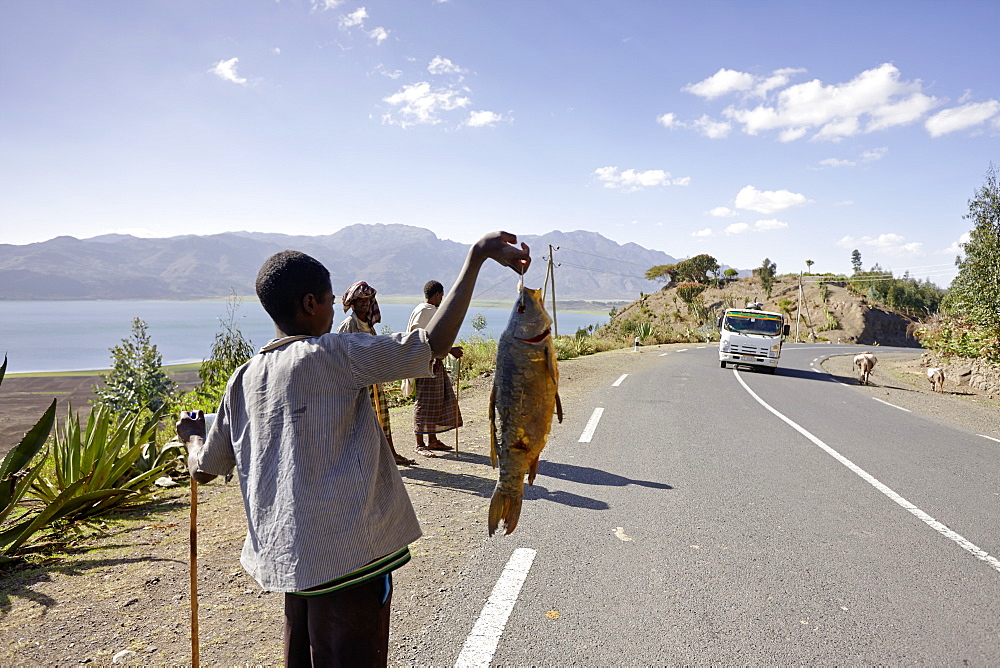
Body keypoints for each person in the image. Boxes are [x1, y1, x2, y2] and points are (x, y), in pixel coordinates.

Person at [183, 231, 528, 667]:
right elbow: (431, 344)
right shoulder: (333, 354)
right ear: (310, 304)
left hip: (293, 564)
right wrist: (475, 258)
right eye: (329, 300)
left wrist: (192, 435)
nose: (333, 310)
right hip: (351, 560)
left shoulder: (243, 379)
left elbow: (204, 468)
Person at [337, 281, 415, 466]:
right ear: (353, 304)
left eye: (367, 300)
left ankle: (391, 455)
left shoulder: (369, 325)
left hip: (373, 380)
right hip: (358, 384)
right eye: (361, 300)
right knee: (363, 421)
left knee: (383, 418)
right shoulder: (349, 325)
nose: (365, 303)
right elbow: (342, 354)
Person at [406, 280, 464, 458]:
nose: (442, 299)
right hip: (425, 364)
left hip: (433, 363)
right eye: (441, 296)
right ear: (438, 294)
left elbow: (435, 338)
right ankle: (419, 444)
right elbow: (424, 339)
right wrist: (450, 350)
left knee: (436, 400)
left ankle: (432, 440)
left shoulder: (424, 311)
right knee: (424, 403)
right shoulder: (426, 312)